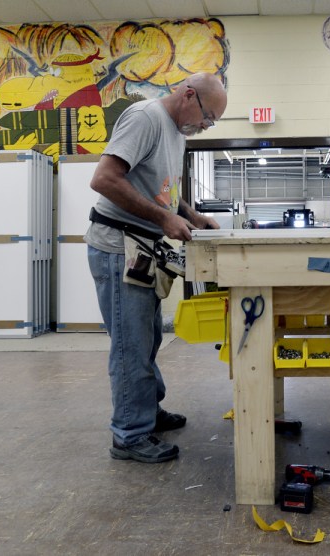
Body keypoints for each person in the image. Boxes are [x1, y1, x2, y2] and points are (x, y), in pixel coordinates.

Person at [84, 73, 227, 463]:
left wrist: (191, 215)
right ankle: (129, 434)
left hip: (143, 247)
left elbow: (163, 192)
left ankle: (147, 411)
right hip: (117, 246)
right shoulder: (145, 118)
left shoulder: (177, 131)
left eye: (211, 122)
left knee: (148, 338)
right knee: (131, 345)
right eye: (207, 117)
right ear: (188, 95)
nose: (204, 127)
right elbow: (104, 179)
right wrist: (163, 221)